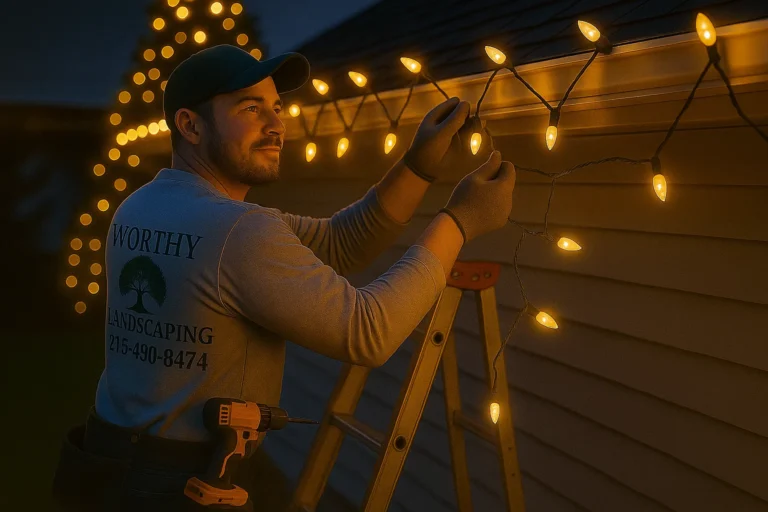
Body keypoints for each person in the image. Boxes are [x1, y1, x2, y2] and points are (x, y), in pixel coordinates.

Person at [52, 44, 516, 511]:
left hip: (106, 465)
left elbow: (341, 242)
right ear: (190, 126)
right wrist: (461, 222)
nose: (276, 126)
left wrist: (418, 166)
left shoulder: (141, 207)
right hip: (182, 486)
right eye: (250, 108)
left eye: (276, 108)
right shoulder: (237, 231)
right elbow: (369, 331)